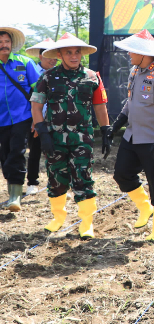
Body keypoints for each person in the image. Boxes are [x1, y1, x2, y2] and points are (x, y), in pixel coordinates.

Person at [29, 33, 110, 238]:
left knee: (83, 179)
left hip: (82, 140)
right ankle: (58, 218)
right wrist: (43, 133)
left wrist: (106, 130)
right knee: (56, 179)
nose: (74, 56)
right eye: (68, 52)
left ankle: (86, 223)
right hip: (54, 139)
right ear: (60, 54)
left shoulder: (92, 77)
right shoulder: (47, 77)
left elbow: (100, 107)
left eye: (77, 52)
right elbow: (36, 107)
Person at [107, 29, 154, 241]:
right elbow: (130, 103)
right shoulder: (135, 71)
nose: (128, 55)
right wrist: (116, 126)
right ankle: (145, 208)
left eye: (131, 52)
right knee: (122, 174)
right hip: (132, 136)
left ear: (144, 53)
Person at [0, 26, 40, 211]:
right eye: (0, 43)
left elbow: (39, 90)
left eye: (7, 42)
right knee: (5, 156)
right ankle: (11, 195)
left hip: (22, 117)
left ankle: (16, 197)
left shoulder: (25, 63)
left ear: (12, 44)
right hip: (1, 120)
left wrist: (38, 116)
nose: (4, 45)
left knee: (16, 153)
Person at [24, 38, 57, 195]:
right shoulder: (31, 73)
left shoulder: (59, 74)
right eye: (48, 55)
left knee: (57, 151)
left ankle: (56, 182)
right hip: (35, 118)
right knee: (35, 150)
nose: (53, 59)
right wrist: (35, 120)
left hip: (56, 118)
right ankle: (32, 182)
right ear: (40, 56)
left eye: (55, 55)